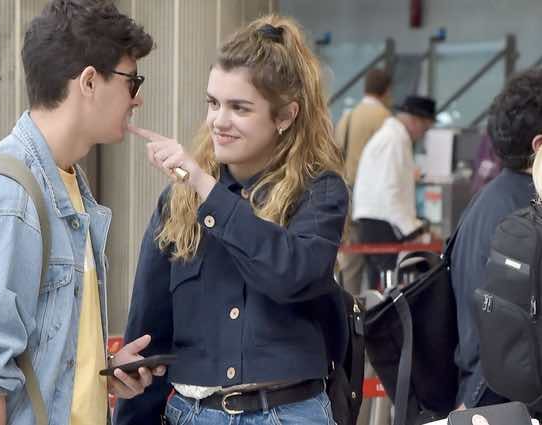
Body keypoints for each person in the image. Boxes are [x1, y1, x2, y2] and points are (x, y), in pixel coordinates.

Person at [0, 2, 162, 424]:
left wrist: (100, 373)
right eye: (132, 81)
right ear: (89, 81)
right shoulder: (3, 199)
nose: (137, 98)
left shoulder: (68, 185)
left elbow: (40, 354)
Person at [114, 14, 348, 425]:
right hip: (192, 412)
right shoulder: (178, 201)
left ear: (285, 116)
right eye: (213, 103)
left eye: (239, 108)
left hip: (289, 413)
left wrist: (206, 188)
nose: (219, 121)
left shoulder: (319, 192)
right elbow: (148, 335)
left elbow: (291, 273)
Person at [451, 69, 542, 410]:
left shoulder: (487, 201)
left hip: (484, 394)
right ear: (539, 146)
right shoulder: (524, 219)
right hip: (502, 400)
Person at [352, 95, 435, 288]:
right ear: (415, 121)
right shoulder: (394, 141)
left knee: (381, 287)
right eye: (425, 127)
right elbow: (390, 191)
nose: (423, 134)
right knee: (389, 290)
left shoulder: (390, 137)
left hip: (376, 221)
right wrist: (413, 230)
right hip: (382, 225)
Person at [334, 68, 392, 295]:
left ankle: (350, 307)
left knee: (351, 255)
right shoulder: (384, 119)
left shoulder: (348, 116)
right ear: (387, 91)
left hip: (346, 191)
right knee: (376, 258)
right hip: (371, 197)